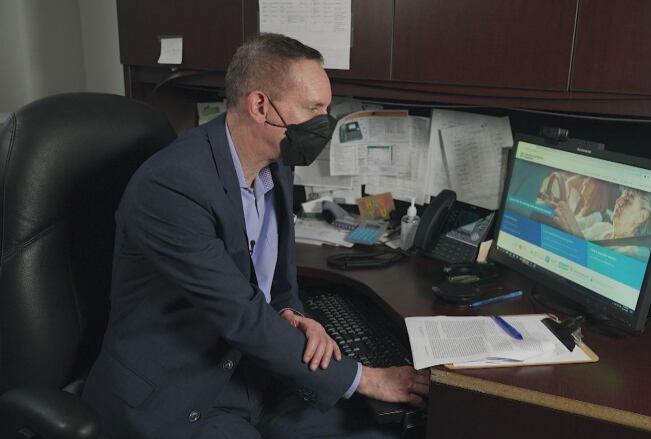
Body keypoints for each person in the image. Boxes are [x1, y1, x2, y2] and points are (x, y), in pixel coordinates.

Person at [82, 33, 429, 439]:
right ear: (261, 105)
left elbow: (279, 286)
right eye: (313, 108)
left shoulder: (276, 166)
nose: (325, 123)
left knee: (377, 430)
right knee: (364, 397)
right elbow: (241, 315)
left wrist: (295, 316)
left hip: (253, 374)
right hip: (178, 393)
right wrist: (363, 378)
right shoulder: (173, 186)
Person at [554, 188, 651, 260]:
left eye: (628, 200)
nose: (618, 201)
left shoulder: (638, 254)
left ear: (641, 217)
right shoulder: (601, 227)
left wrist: (574, 232)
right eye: (621, 195)